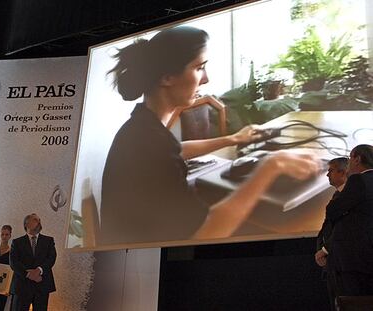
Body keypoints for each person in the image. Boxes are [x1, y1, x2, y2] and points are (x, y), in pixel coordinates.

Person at [100, 26, 322, 244]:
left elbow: (177, 151)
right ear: (167, 77)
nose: (205, 78)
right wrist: (272, 167)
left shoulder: (142, 129)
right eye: (199, 67)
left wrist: (233, 139)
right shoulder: (150, 142)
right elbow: (205, 233)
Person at [325, 144, 373, 297]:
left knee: (355, 301)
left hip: (356, 257)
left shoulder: (358, 180)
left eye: (350, 158)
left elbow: (333, 211)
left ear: (357, 159)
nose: (349, 164)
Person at [314, 157, 348, 311]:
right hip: (334, 264)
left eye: (331, 170)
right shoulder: (338, 196)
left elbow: (342, 229)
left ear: (343, 172)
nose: (327, 175)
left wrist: (325, 249)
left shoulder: (349, 197)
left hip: (344, 264)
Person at [10, 214, 56, 311]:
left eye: (39, 220)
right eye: (35, 220)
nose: (39, 222)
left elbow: (51, 258)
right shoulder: (17, 242)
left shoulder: (49, 241)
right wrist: (28, 274)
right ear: (26, 223)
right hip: (22, 286)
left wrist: (39, 270)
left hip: (42, 285)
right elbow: (14, 262)